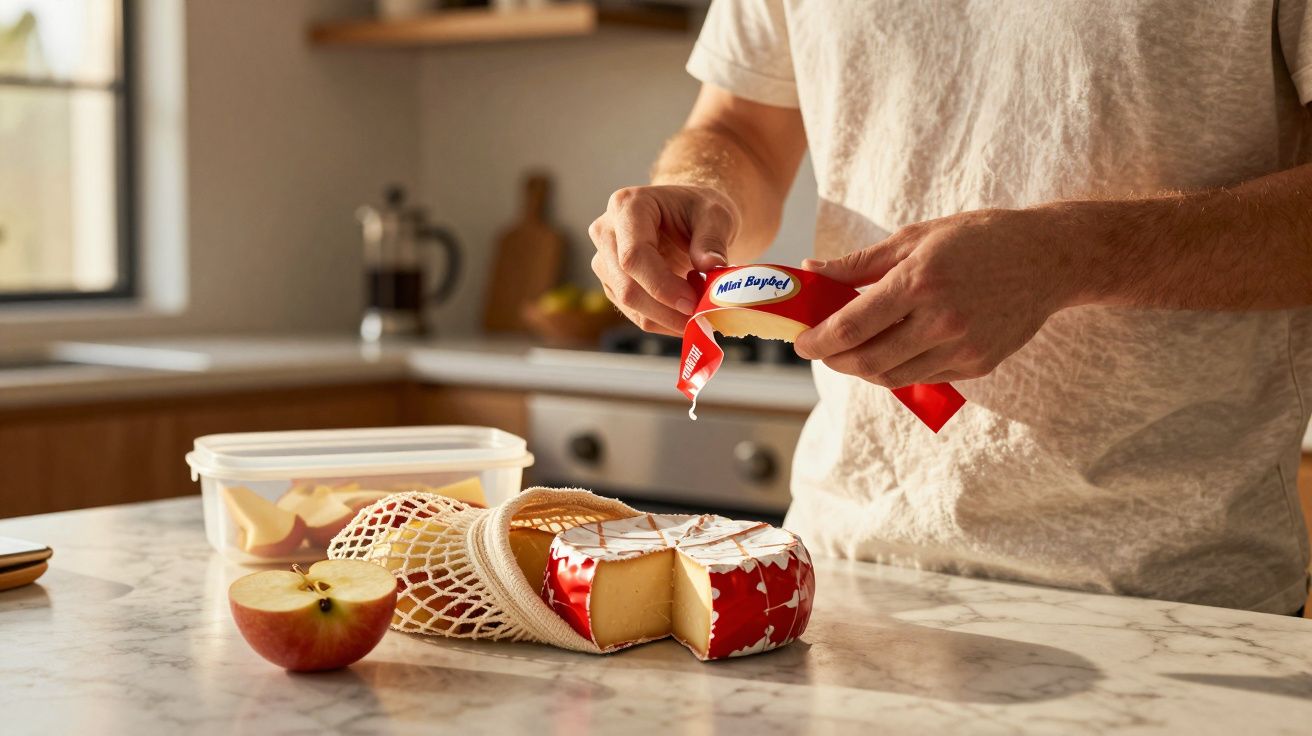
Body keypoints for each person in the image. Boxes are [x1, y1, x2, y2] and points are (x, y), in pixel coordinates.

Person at [587, 1, 1312, 615]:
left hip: (1168, 597)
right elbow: (737, 129)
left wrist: (1071, 254)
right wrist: (698, 191)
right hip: (842, 575)